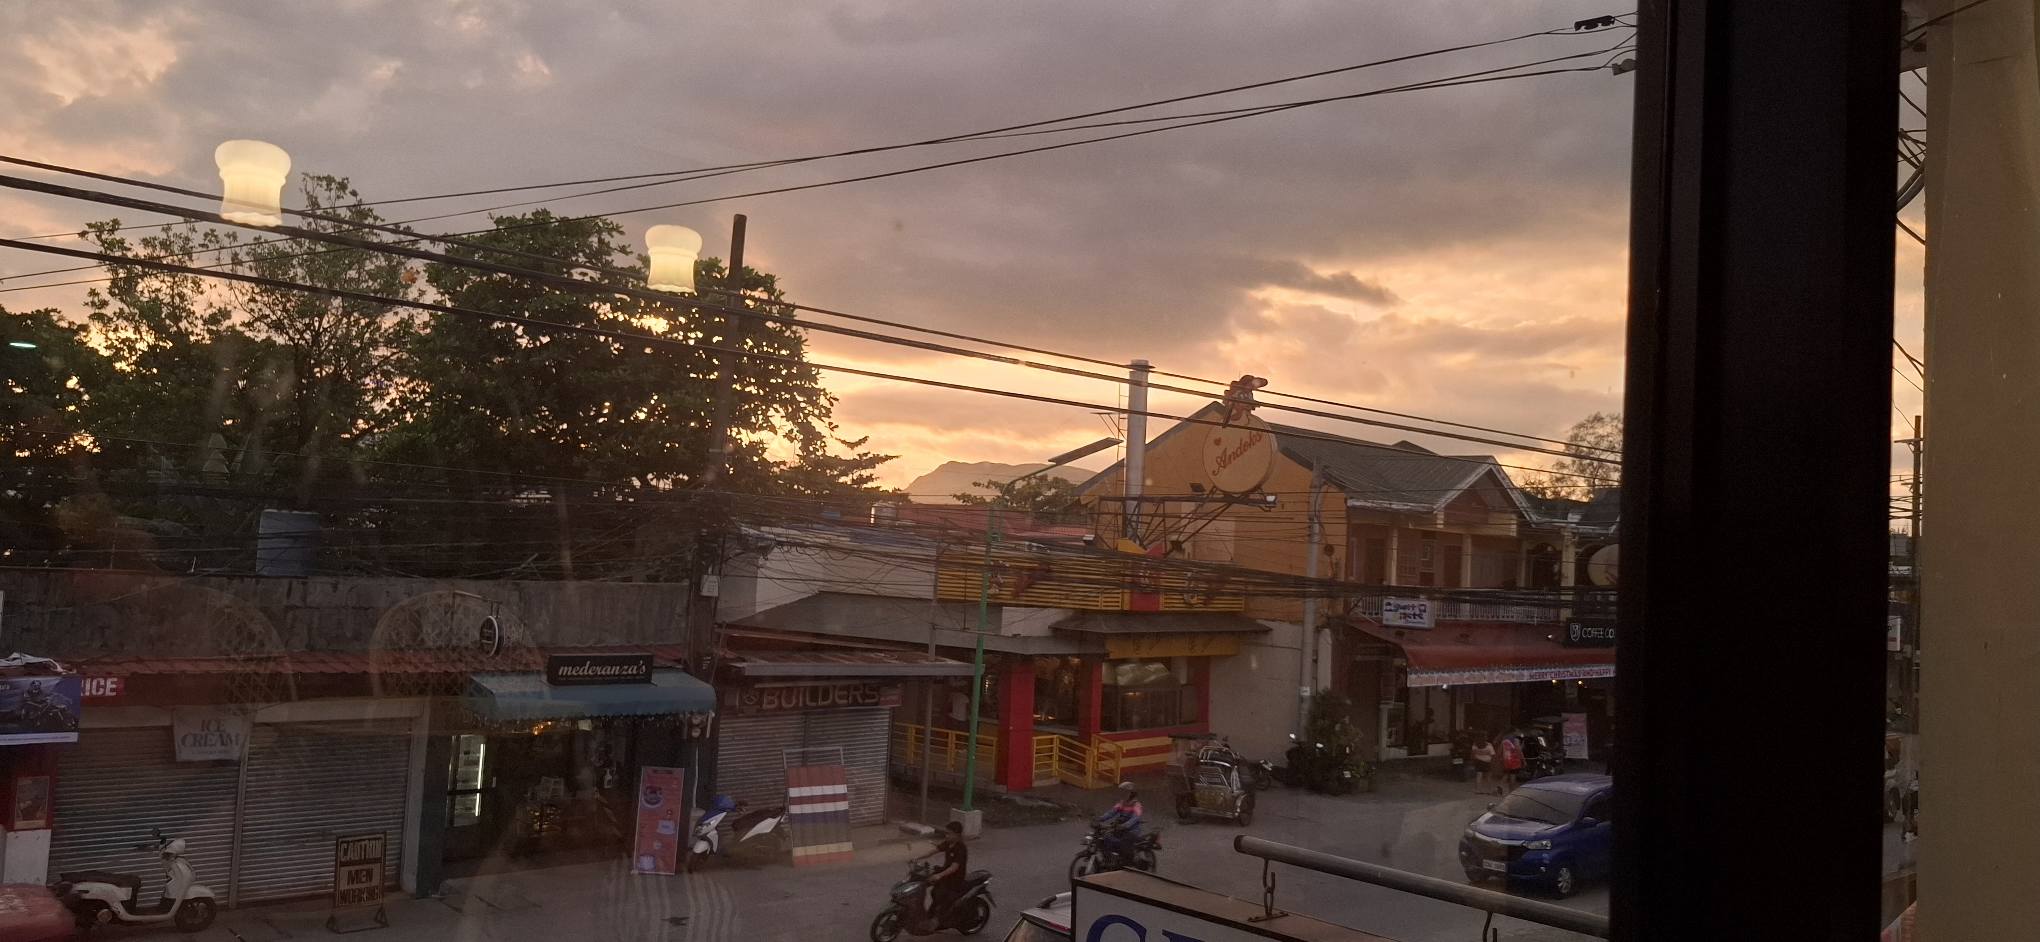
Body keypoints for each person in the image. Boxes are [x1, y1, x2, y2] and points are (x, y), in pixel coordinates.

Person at [911, 820, 968, 928]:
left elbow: (954, 867)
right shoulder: (948, 843)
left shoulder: (961, 848)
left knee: (940, 894)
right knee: (926, 884)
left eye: (949, 833)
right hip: (945, 874)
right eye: (946, 833)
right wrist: (917, 858)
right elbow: (933, 851)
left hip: (955, 879)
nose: (946, 835)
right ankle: (929, 914)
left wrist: (939, 875)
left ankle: (938, 919)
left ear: (957, 835)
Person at [1095, 781, 1144, 866]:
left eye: (1125, 792)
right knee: (1106, 837)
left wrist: (1125, 825)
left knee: (1123, 844)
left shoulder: (1136, 805)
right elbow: (1111, 812)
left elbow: (1135, 818)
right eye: (1122, 792)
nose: (1123, 794)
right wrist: (1099, 819)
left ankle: (1127, 864)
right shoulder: (1122, 803)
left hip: (1132, 831)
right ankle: (1109, 860)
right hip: (1121, 829)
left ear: (1132, 794)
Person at [1497, 727, 1526, 794]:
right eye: (1518, 731)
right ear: (1514, 731)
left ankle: (1499, 786)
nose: (1519, 732)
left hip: (1506, 759)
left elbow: (1500, 749)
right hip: (1514, 759)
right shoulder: (1515, 739)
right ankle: (1511, 791)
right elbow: (1518, 749)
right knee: (1513, 775)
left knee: (1507, 773)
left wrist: (1499, 757)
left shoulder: (1504, 739)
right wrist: (1523, 760)